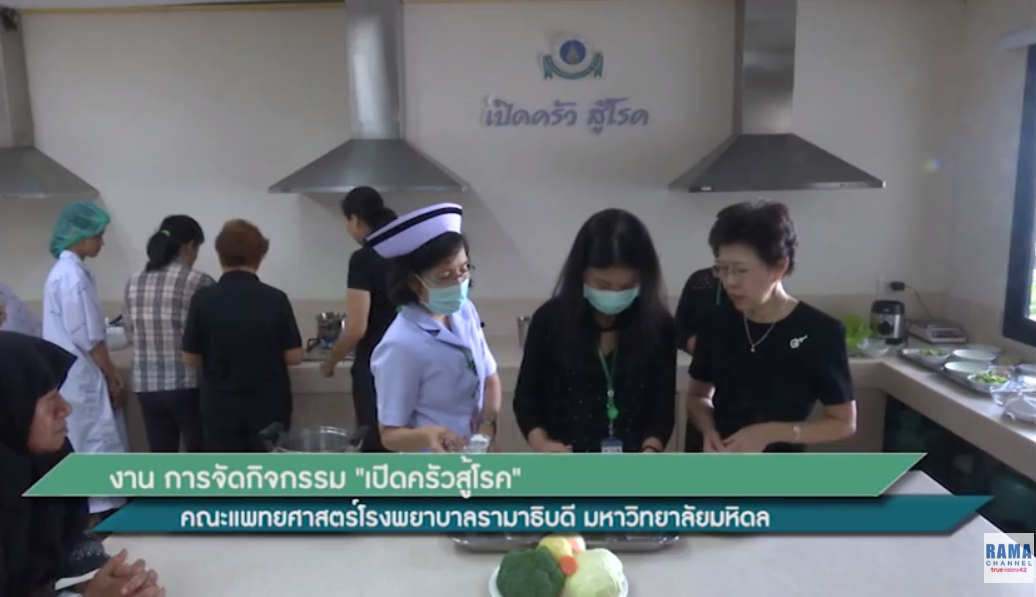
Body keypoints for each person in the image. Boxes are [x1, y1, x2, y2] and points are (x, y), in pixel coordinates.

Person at [0, 331, 164, 597]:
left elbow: (69, 540)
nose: (66, 409)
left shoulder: (47, 462)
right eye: (50, 402)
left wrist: (95, 579)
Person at [685, 200, 856, 453]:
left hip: (779, 468)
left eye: (740, 270)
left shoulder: (820, 332)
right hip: (717, 461)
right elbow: (697, 396)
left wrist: (769, 433)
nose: (729, 282)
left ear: (779, 267)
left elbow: (843, 423)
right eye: (722, 269)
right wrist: (709, 431)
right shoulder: (715, 321)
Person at [513, 209, 676, 453]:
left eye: (628, 285)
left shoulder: (660, 325)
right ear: (581, 273)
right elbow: (526, 400)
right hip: (564, 459)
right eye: (603, 284)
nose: (614, 295)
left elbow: (662, 406)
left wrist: (651, 450)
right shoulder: (549, 321)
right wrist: (542, 443)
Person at [369, 203, 501, 452]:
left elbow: (489, 379)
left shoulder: (464, 311)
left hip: (475, 455)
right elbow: (389, 434)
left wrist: (487, 427)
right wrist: (427, 436)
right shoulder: (400, 345)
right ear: (413, 281)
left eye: (463, 270)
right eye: (444, 277)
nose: (458, 283)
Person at [182, 219, 303, 452]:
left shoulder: (203, 299)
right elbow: (294, 356)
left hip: (220, 407)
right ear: (260, 256)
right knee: (268, 469)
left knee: (228, 470)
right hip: (269, 407)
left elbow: (189, 358)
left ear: (220, 255)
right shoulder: (275, 299)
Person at [43, 201, 128, 517]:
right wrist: (111, 372)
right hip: (80, 378)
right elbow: (89, 335)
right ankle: (96, 520)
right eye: (98, 236)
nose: (101, 242)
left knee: (87, 442)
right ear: (79, 235)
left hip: (73, 377)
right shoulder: (72, 278)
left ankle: (95, 516)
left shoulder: (67, 273)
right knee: (92, 444)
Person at [123, 216, 215, 453]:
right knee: (200, 456)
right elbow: (212, 335)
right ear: (189, 246)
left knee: (162, 457)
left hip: (146, 385)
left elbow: (129, 332)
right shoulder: (198, 281)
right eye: (197, 248)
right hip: (187, 383)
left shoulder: (133, 281)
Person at [320, 187, 398, 453]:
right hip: (409, 361)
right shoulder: (406, 251)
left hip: (376, 366)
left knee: (375, 444)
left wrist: (330, 362)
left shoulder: (364, 259)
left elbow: (356, 328)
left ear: (356, 220)